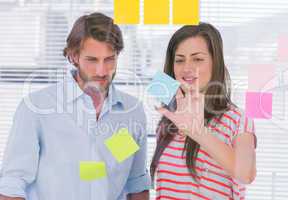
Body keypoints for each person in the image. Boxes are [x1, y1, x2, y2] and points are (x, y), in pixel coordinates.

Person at [0, 12, 151, 200]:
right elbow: (13, 183)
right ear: (73, 57)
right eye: (92, 60)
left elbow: (136, 182)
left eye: (109, 59)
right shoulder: (37, 108)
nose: (102, 71)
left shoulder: (132, 112)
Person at [150, 23, 257, 200]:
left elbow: (246, 174)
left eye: (197, 59)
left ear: (215, 63)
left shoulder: (237, 119)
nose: (187, 68)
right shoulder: (170, 119)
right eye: (179, 60)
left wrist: (198, 132)